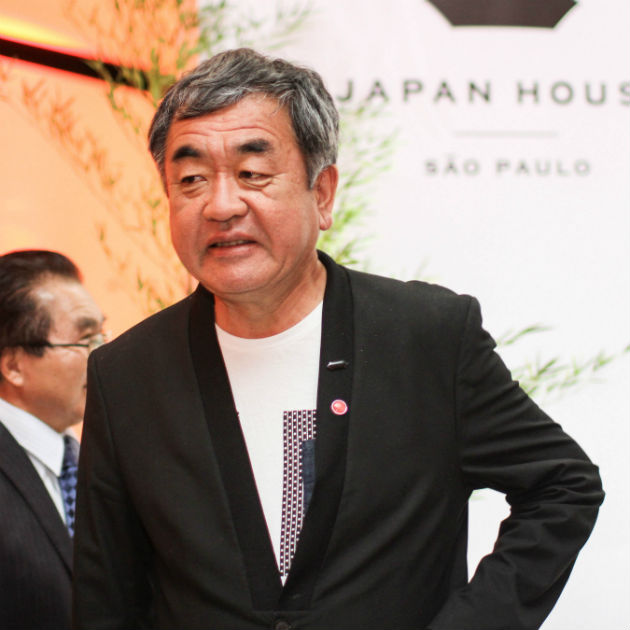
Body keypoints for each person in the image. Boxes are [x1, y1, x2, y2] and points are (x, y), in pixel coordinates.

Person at [73, 48, 604, 630]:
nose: (221, 206)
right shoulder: (126, 374)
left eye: (253, 174)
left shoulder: (425, 337)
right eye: (191, 180)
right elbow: (106, 597)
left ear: (322, 193)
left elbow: (562, 485)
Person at [0, 250, 105, 630]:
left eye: (102, 335)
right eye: (85, 340)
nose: (103, 355)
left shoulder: (96, 457)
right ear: (14, 366)